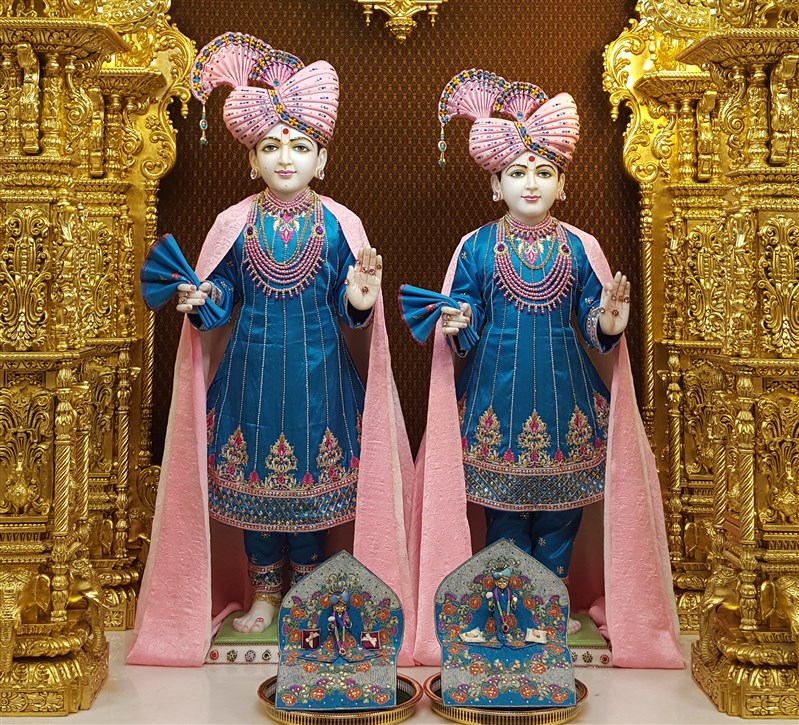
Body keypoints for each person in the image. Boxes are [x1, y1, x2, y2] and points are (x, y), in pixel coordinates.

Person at [128, 33, 415, 666]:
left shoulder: (340, 223)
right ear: (252, 158)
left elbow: (353, 311)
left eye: (300, 146)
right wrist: (203, 301)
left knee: (314, 491)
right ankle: (264, 594)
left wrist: (361, 299)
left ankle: (306, 592)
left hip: (321, 375)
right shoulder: (233, 223)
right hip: (249, 375)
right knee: (253, 489)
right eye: (271, 147)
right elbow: (224, 295)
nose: (286, 158)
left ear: (322, 158)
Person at [405, 69, 683, 668]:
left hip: (566, 400)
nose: (530, 183)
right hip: (493, 402)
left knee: (561, 515)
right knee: (503, 517)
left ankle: (549, 605)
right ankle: (507, 607)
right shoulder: (477, 246)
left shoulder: (580, 246)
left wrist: (609, 321)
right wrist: (458, 321)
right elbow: (467, 314)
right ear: (495, 184)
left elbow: (592, 320)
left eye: (543, 171)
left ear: (562, 182)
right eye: (517, 172)